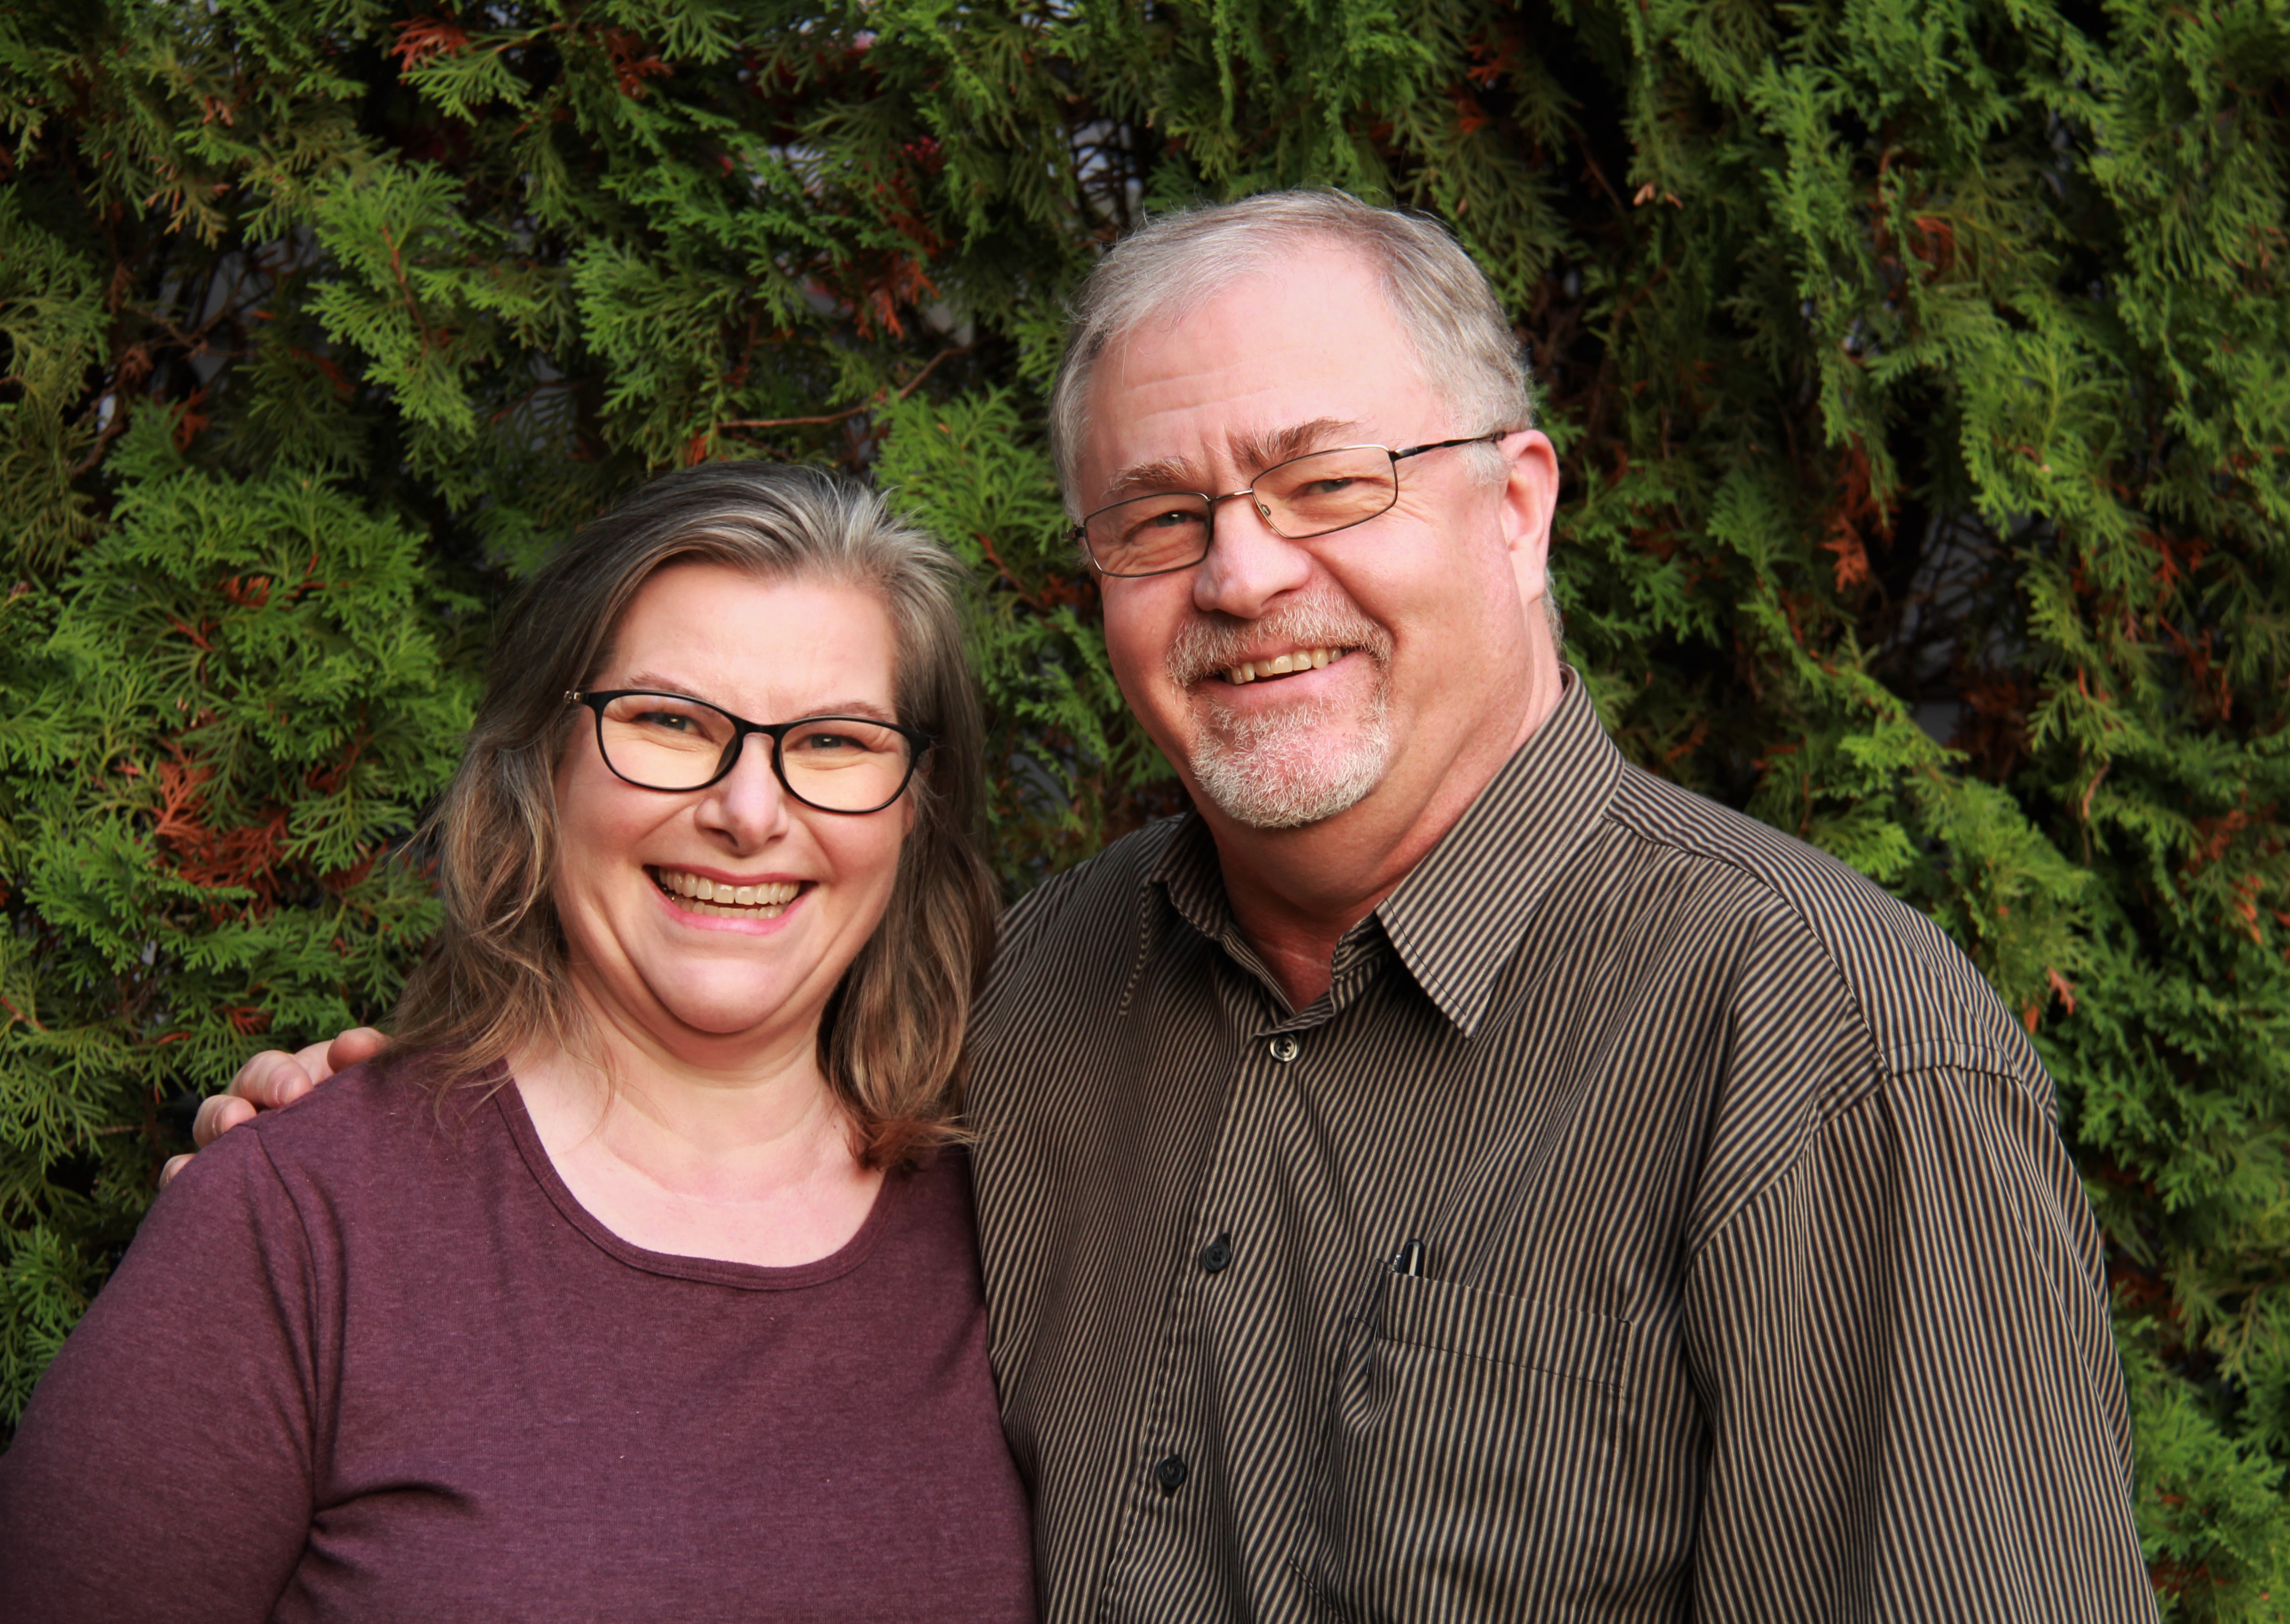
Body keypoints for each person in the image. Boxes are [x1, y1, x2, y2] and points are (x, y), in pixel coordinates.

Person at [175, 192, 2156, 1621]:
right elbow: (689, 1168)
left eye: (1327, 483)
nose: (1244, 575)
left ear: (1518, 506)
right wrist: (370, 1165)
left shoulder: (1822, 1051)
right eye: (1160, 518)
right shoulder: (1019, 1003)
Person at [0, 466, 1035, 1621]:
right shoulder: (299, 1225)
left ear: (916, 802)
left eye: (836, 740)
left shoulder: (1030, 1234)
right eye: (669, 722)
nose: (749, 814)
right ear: (544, 759)